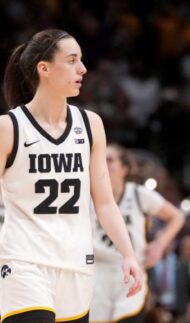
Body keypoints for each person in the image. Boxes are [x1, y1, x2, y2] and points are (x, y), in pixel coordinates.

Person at [0, 29, 143, 323]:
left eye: (82, 60)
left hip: (77, 265)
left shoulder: (90, 124)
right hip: (24, 262)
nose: (83, 69)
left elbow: (104, 202)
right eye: (72, 60)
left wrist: (128, 254)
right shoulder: (9, 127)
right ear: (45, 68)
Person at [90, 143, 185, 323]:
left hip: (130, 272)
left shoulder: (138, 194)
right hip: (97, 272)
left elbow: (177, 217)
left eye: (109, 160)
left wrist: (159, 244)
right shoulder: (88, 194)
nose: (103, 163)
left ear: (124, 169)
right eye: (101, 159)